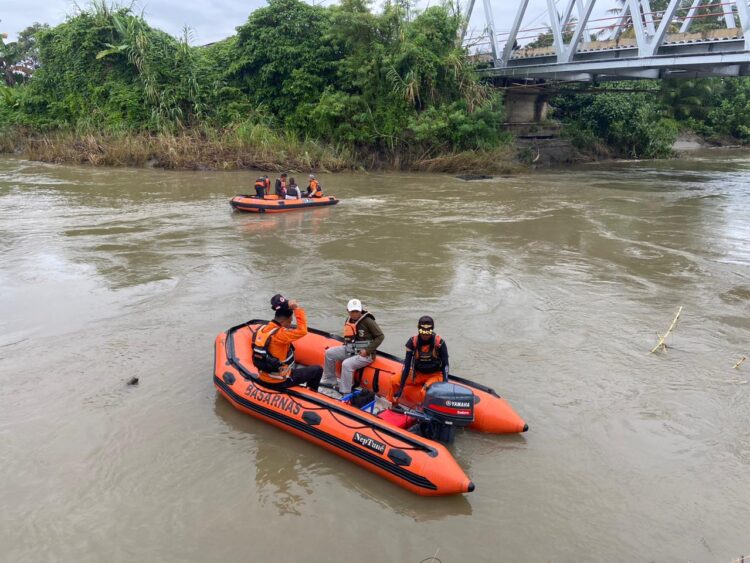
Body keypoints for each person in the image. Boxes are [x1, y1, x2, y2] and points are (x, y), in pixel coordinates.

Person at [252, 294, 323, 392]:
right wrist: (296, 309)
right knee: (317, 370)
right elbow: (303, 331)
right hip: (279, 381)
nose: (290, 325)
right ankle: (312, 394)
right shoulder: (281, 334)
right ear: (285, 321)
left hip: (263, 376)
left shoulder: (260, 330)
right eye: (290, 322)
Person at [321, 299, 384, 395]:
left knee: (346, 364)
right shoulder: (348, 320)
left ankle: (345, 391)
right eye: (352, 311)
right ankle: (330, 380)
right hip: (350, 350)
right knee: (329, 353)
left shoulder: (368, 321)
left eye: (357, 311)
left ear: (361, 310)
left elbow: (380, 336)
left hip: (366, 355)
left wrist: (367, 350)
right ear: (348, 310)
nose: (354, 314)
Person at [393, 316, 449, 405]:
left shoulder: (440, 343)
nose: (425, 336)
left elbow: (445, 365)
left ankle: (423, 414)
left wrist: (445, 385)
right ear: (419, 330)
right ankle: (393, 404)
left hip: (434, 375)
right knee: (394, 381)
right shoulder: (412, 342)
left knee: (424, 392)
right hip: (417, 374)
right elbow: (407, 366)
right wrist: (401, 388)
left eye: (428, 333)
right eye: (423, 333)